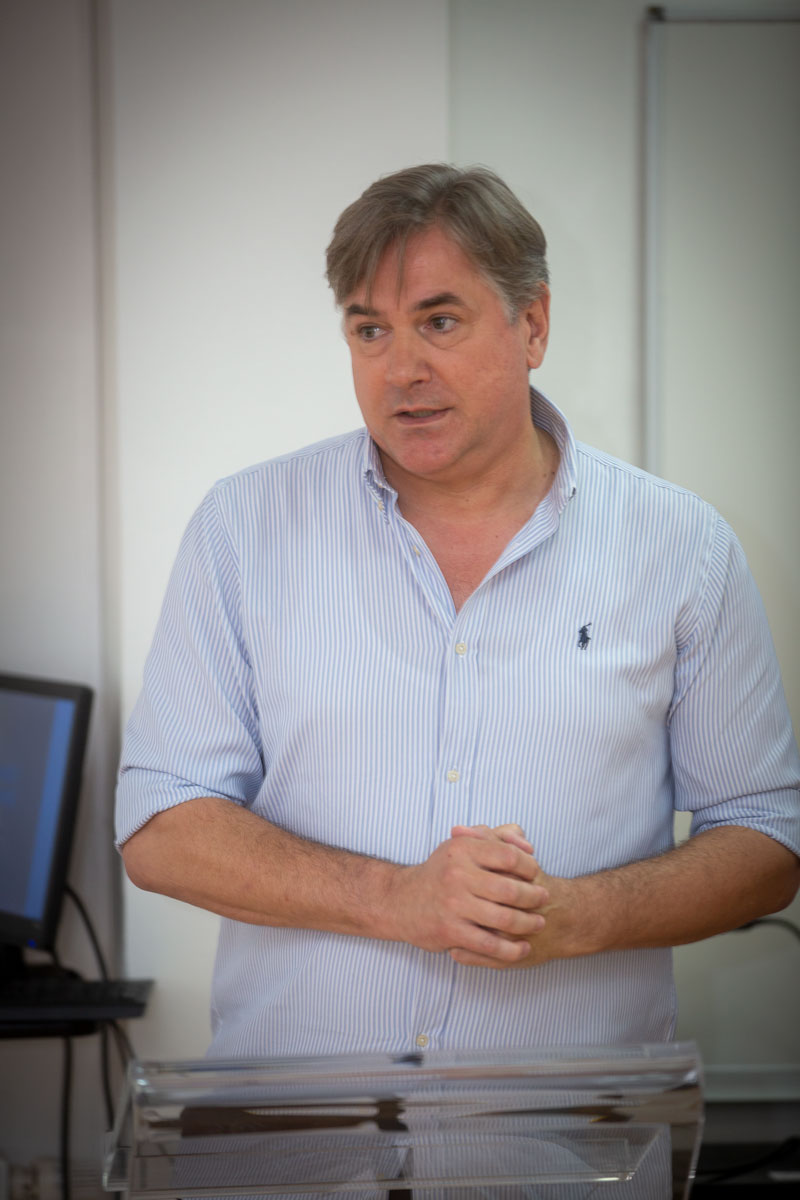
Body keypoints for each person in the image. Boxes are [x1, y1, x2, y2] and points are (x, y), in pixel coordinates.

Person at [117, 164, 800, 1063]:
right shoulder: (244, 528)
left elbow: (766, 839)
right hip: (299, 1122)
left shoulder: (682, 546)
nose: (402, 370)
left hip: (566, 1129)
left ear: (533, 324)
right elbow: (161, 823)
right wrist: (393, 898)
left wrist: (575, 915)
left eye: (439, 321)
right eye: (370, 330)